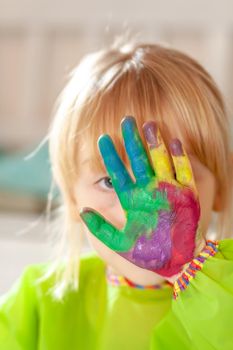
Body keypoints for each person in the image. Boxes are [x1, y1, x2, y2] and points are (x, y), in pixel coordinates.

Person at [1, 37, 233, 350]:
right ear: (71, 198)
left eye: (174, 177)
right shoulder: (36, 304)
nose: (140, 212)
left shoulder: (225, 299)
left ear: (221, 185)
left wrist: (187, 270)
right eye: (111, 183)